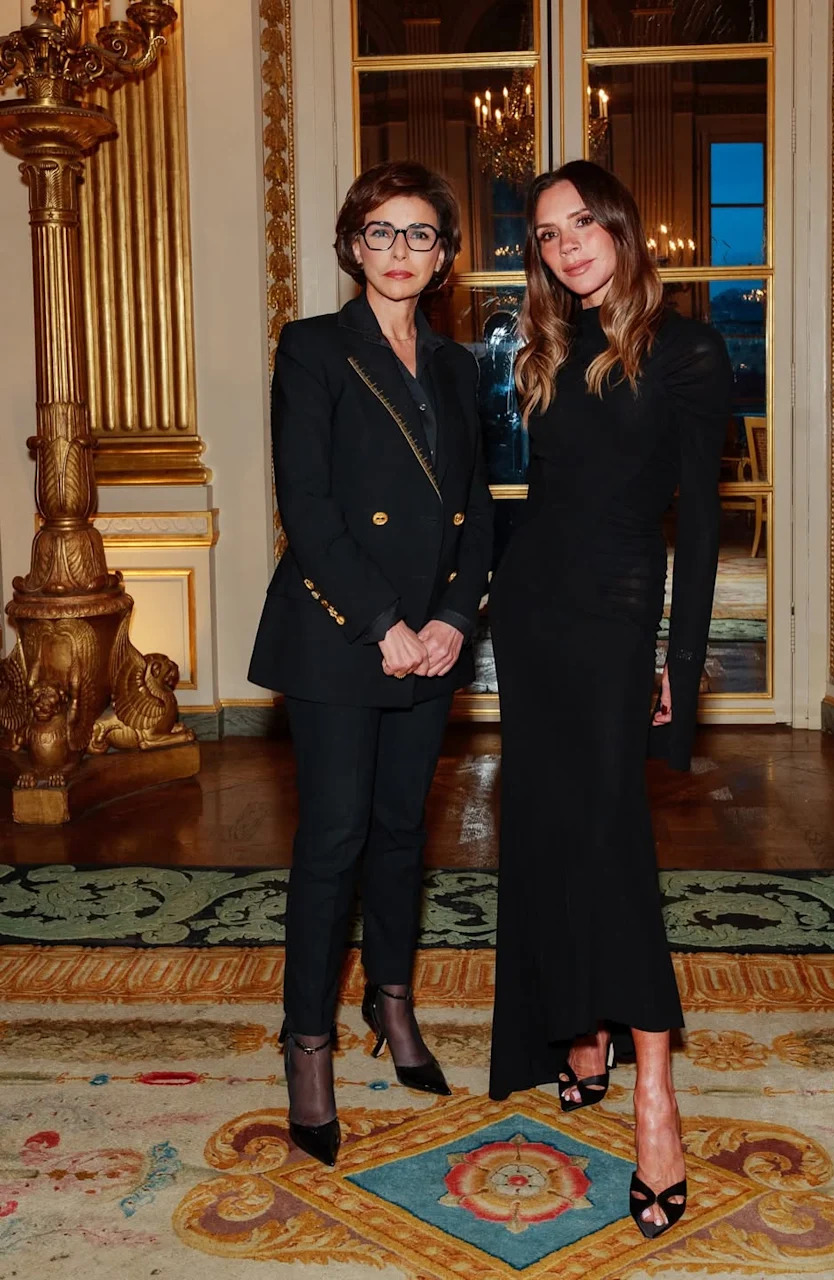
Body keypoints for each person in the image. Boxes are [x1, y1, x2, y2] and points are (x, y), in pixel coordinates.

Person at [488, 160, 732, 1239]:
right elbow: (542, 498)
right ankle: (574, 1029)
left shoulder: (686, 348)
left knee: (612, 840)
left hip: (620, 620)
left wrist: (676, 656)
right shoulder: (545, 348)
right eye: (547, 233)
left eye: (583, 222)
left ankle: (653, 1096)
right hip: (532, 617)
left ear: (624, 228)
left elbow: (703, 524)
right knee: (542, 829)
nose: (567, 243)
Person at [249, 160, 494, 1169]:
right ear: (354, 247)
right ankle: (307, 1042)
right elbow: (306, 506)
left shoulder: (456, 367)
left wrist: (450, 617)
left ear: (443, 258)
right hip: (338, 632)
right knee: (336, 837)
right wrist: (385, 620)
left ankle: (391, 1001)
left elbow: (479, 506)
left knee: (402, 833)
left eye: (421, 235)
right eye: (382, 233)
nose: (401, 251)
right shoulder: (312, 349)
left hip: (426, 639)